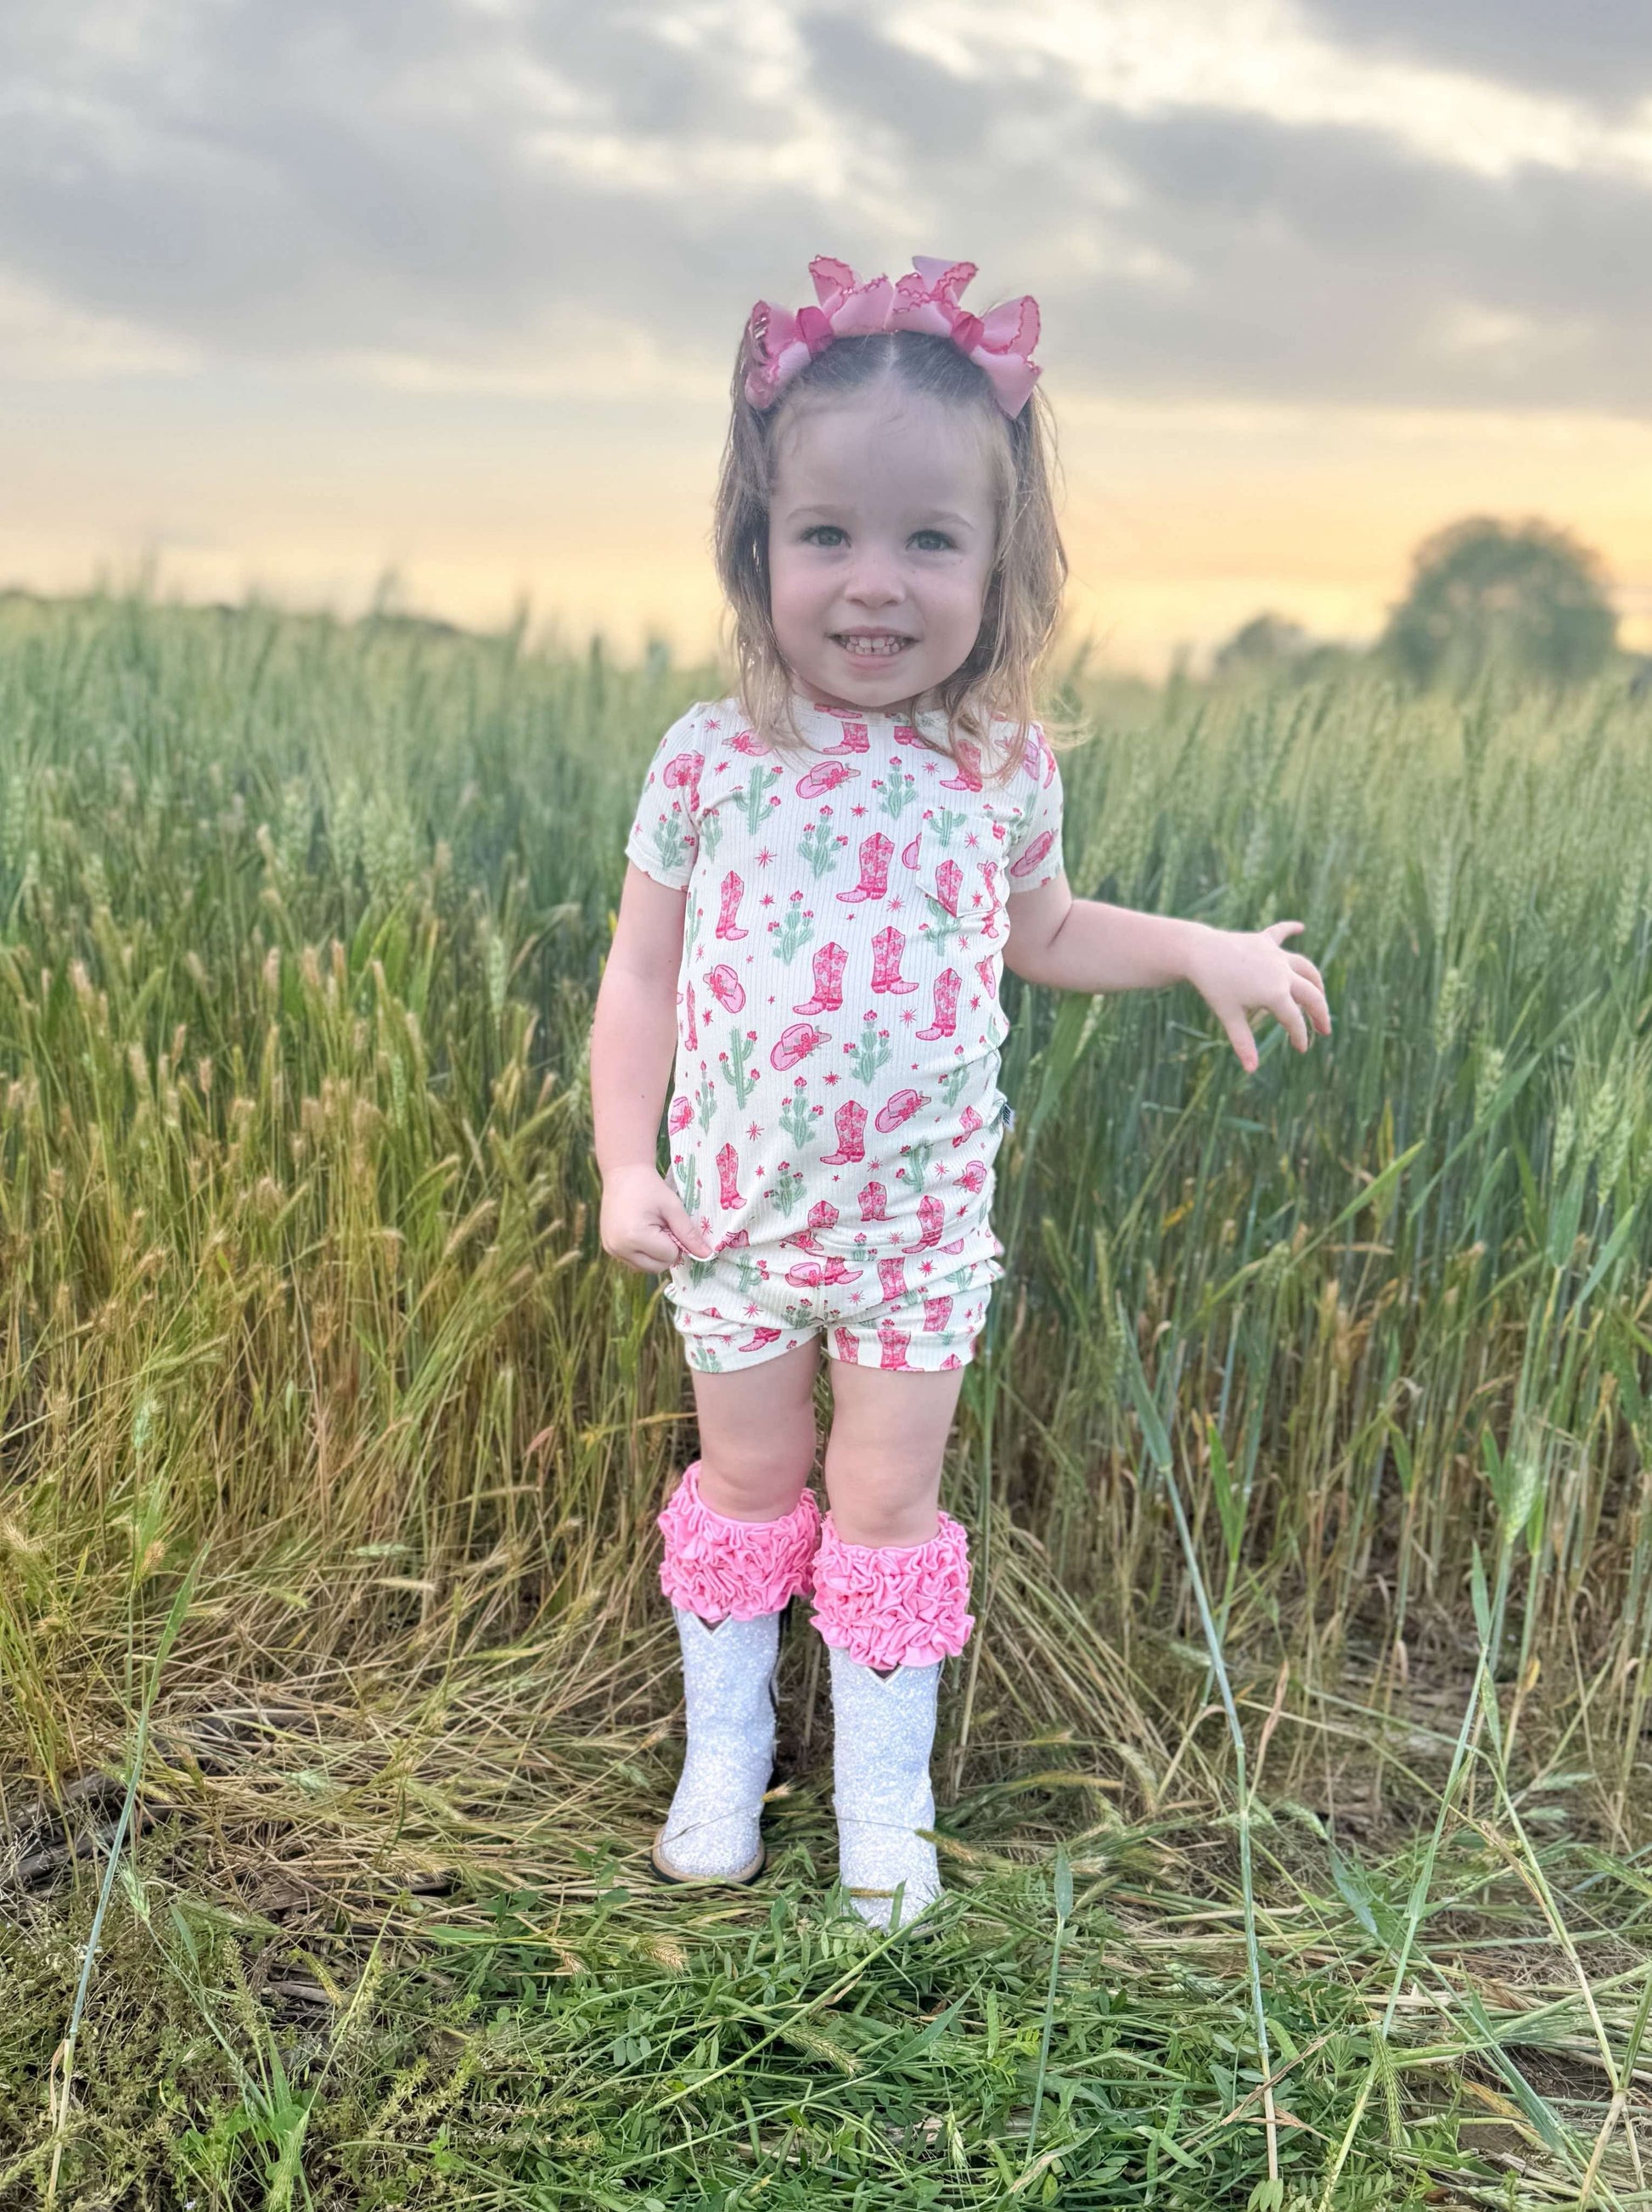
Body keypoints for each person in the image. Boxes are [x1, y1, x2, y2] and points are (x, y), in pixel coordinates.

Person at [589, 253, 1331, 1932]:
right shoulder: (711, 757)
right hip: (733, 1225)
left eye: (929, 540)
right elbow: (638, 977)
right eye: (826, 535)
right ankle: (723, 1757)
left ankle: (881, 1796)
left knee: (884, 1502)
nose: (874, 583)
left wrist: (1195, 947)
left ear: (1001, 568)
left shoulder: (995, 764)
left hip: (915, 1240)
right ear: (757, 549)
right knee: (747, 1487)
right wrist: (625, 1163)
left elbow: (1044, 932)